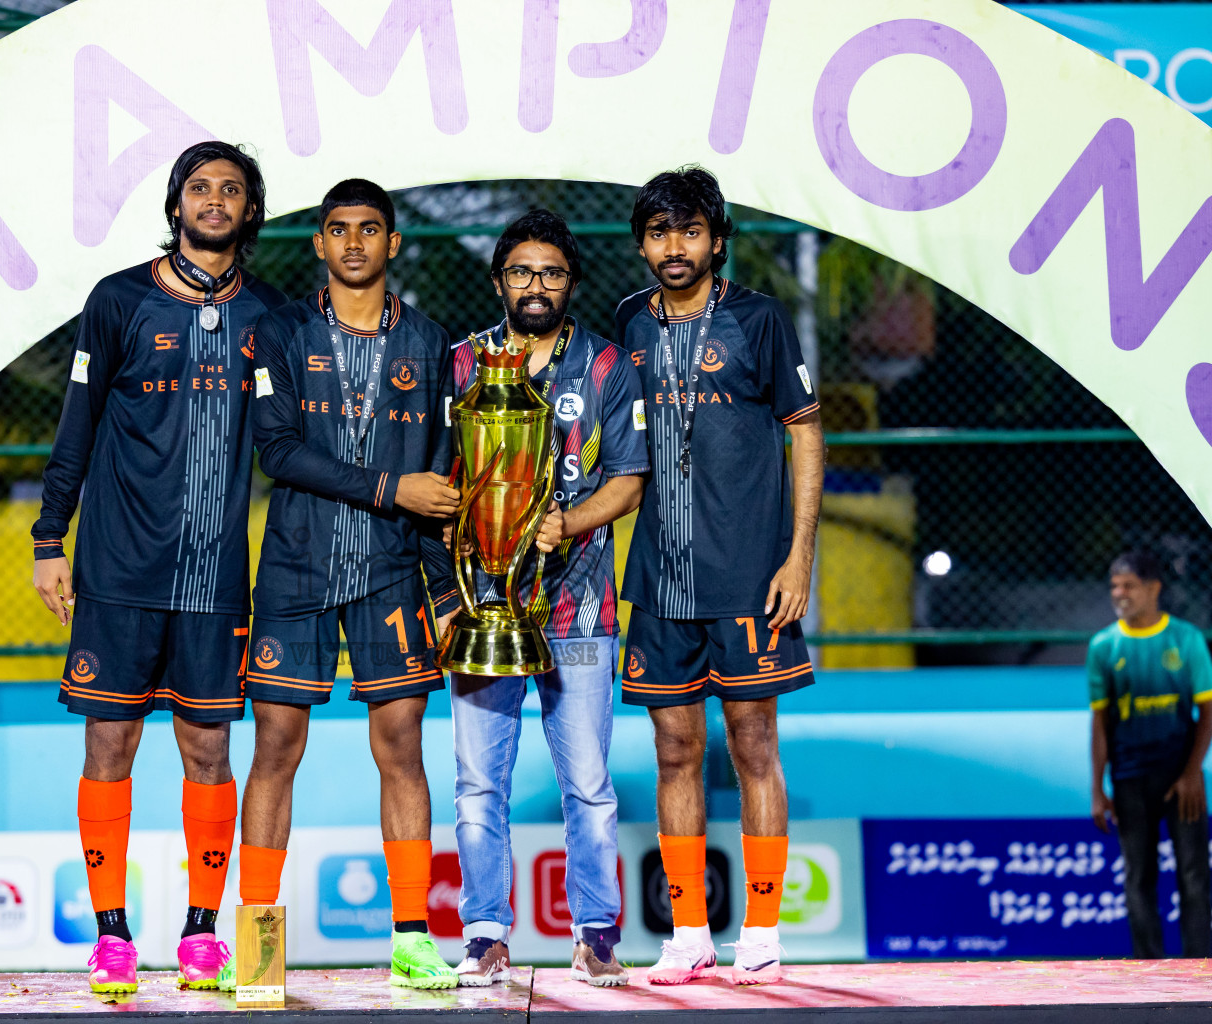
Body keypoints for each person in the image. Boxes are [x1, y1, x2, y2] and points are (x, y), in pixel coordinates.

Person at [30, 141, 287, 994]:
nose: (215, 201)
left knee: (207, 746)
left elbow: (293, 448)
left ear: (250, 211)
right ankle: (111, 937)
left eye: (232, 190)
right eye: (200, 188)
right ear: (177, 205)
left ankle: (204, 934)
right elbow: (76, 424)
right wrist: (47, 540)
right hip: (116, 567)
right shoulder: (119, 300)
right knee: (111, 739)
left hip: (216, 577)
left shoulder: (271, 317)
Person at [238, 178, 462, 989]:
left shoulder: (432, 343)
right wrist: (388, 489)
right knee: (275, 747)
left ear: (394, 244)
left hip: (392, 571)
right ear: (320, 245)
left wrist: (442, 592)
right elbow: (280, 451)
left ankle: (412, 940)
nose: (356, 243)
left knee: (402, 746)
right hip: (297, 565)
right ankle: (258, 948)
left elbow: (439, 480)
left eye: (371, 230)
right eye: (339, 230)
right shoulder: (281, 331)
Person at [614, 166, 824, 985]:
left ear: (715, 238)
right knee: (673, 751)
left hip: (749, 578)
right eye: (661, 232)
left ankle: (764, 930)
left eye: (690, 231)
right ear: (642, 242)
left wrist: (799, 553)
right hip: (660, 582)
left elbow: (806, 433)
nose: (675, 247)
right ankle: (689, 933)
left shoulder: (760, 320)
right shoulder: (628, 323)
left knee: (753, 745)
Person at [447, 210, 648, 987]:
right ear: (499, 281)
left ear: (572, 282)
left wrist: (565, 524)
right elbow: (442, 480)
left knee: (590, 786)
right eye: (523, 273)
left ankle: (596, 932)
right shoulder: (462, 364)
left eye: (553, 273)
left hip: (580, 609)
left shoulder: (605, 366)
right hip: (483, 611)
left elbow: (628, 481)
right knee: (476, 784)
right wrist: (453, 582)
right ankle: (486, 933)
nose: (537, 287)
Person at [1088, 550, 1212, 958]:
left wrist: (1193, 772)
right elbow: (1101, 724)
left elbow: (1207, 711)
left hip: (1181, 777)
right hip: (1130, 776)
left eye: (1128, 585)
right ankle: (1148, 971)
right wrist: (1098, 788)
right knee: (1139, 876)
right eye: (1114, 586)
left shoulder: (1186, 639)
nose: (1119, 593)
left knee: (1194, 875)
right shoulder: (1104, 646)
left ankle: (1199, 969)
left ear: (1153, 588)